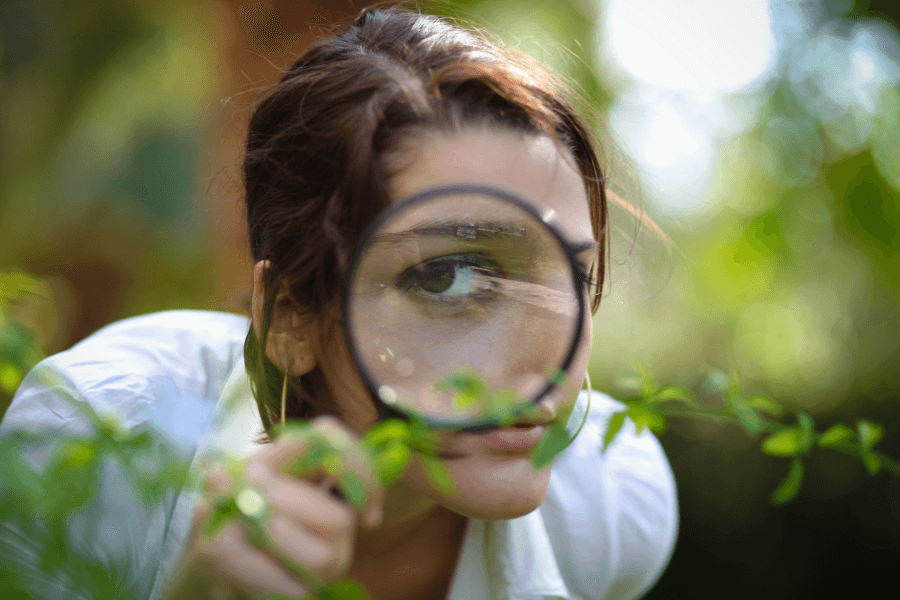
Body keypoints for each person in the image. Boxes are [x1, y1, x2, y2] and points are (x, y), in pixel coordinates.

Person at [1, 4, 677, 600]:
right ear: (290, 317)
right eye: (446, 278)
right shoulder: (90, 448)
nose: (546, 364)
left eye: (572, 279)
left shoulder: (612, 506)